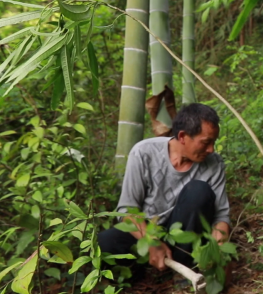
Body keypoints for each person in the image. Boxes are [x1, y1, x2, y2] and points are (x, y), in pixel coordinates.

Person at [99, 103, 231, 273]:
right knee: (103, 244)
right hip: (148, 232)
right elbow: (127, 210)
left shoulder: (214, 163)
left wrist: (220, 253)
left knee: (198, 191)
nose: (211, 149)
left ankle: (184, 270)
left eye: (213, 142)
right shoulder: (144, 153)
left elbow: (220, 215)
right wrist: (152, 242)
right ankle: (144, 274)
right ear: (183, 136)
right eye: (206, 142)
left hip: (186, 238)